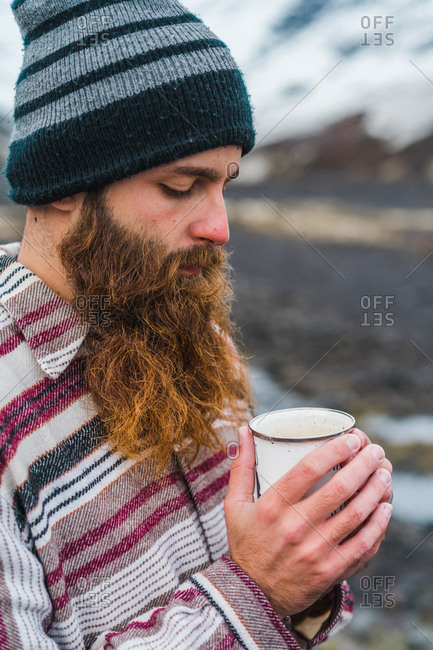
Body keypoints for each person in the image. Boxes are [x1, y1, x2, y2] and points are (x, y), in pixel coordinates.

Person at [0, 1, 393, 648]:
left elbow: (266, 585)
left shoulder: (184, 326)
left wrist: (307, 570)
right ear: (62, 186)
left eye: (225, 184)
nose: (220, 227)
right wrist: (257, 592)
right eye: (182, 186)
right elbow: (253, 591)